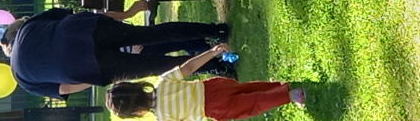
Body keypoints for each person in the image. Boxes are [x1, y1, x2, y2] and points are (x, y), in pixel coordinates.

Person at [1, 0, 231, 98]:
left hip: (91, 67)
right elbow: (75, 16)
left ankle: (218, 66)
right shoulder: (29, 27)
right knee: (152, 34)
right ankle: (215, 30)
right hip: (86, 29)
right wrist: (128, 14)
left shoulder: (24, 80)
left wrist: (97, 77)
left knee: (158, 66)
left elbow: (66, 88)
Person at [105, 45, 305, 121]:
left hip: (212, 107)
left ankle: (290, 95)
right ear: (138, 86)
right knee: (246, 89)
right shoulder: (163, 81)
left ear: (136, 112)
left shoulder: (164, 118)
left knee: (252, 104)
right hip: (212, 86)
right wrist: (212, 52)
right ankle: (280, 87)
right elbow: (189, 67)